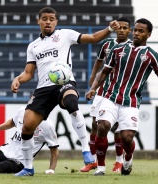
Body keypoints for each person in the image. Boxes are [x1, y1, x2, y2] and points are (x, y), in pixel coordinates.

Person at [11, 7, 120, 176]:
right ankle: (28, 168)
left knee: (71, 102)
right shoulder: (33, 46)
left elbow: (92, 38)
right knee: (27, 127)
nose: (48, 21)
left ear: (56, 21)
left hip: (64, 82)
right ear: (38, 21)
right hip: (43, 88)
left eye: (52, 19)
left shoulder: (65, 35)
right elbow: (28, 73)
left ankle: (86, 152)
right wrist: (18, 79)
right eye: (45, 18)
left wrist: (109, 29)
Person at [86, 18, 158, 176]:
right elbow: (104, 72)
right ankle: (100, 168)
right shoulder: (118, 49)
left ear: (148, 35)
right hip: (110, 97)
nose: (136, 33)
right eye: (135, 30)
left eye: (141, 31)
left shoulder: (152, 55)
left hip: (131, 102)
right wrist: (93, 88)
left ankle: (127, 159)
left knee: (127, 138)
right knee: (102, 126)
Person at [80, 17, 132, 173]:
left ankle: (118, 161)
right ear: (116, 29)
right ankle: (94, 161)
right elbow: (98, 61)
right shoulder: (107, 44)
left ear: (129, 30)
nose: (122, 30)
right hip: (102, 90)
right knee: (96, 125)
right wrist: (93, 76)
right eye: (119, 27)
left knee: (116, 128)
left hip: (119, 92)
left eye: (125, 28)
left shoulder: (132, 47)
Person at [0, 106, 59, 174]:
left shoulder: (47, 125)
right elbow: (12, 122)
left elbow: (54, 150)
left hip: (19, 161)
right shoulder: (22, 111)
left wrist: (51, 169)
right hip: (5, 151)